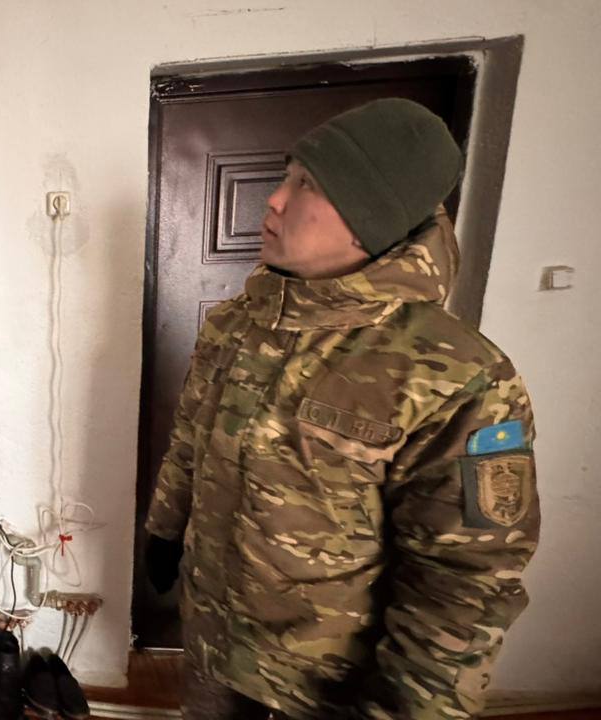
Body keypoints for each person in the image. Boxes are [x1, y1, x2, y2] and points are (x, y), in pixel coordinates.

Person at [143, 98, 539, 720]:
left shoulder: (457, 375)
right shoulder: (236, 324)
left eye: (307, 185)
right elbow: (191, 440)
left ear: (368, 219)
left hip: (328, 689)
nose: (274, 200)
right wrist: (165, 527)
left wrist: (405, 706)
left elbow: (466, 576)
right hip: (214, 648)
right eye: (286, 176)